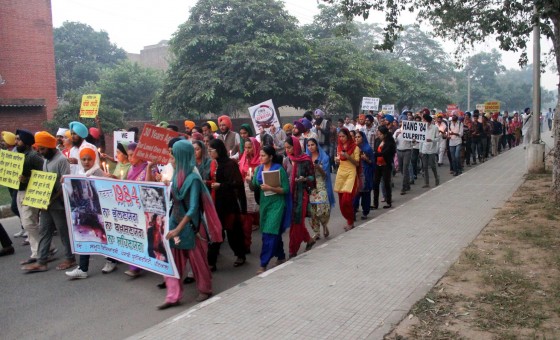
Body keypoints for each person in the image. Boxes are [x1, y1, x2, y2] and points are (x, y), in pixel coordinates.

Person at [158, 140, 218, 309]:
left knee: (197, 260)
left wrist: (178, 228)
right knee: (173, 260)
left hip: (190, 226)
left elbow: (193, 209)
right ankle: (172, 295)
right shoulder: (177, 174)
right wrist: (166, 185)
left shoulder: (193, 178)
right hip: (175, 221)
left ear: (182, 155)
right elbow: (174, 197)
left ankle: (205, 289)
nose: (171, 157)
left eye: (174, 154)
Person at [22, 132, 76, 272]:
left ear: (50, 147)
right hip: (46, 203)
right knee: (44, 231)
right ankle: (41, 261)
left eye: (42, 149)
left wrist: (52, 198)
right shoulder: (46, 160)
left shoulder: (61, 160)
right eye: (39, 149)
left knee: (63, 231)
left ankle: (70, 258)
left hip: (58, 204)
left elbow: (66, 183)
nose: (40, 152)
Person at [247, 146, 290, 274]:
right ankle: (281, 256)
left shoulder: (279, 169)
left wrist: (271, 188)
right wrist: (249, 180)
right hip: (264, 204)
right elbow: (254, 187)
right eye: (259, 155)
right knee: (272, 232)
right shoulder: (259, 169)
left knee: (269, 234)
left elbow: (285, 189)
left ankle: (263, 263)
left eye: (263, 155)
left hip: (277, 204)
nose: (260, 158)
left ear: (270, 157)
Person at [65, 147, 106, 279]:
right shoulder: (79, 172)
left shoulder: (99, 173)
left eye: (89, 159)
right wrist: (65, 182)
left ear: (94, 160)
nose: (86, 162)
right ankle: (82, 269)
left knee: (103, 237)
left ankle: (111, 260)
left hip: (98, 212)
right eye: (83, 159)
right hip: (85, 212)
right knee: (85, 238)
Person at [208, 139, 247, 269]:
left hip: (229, 203)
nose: (209, 153)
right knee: (216, 230)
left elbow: (237, 183)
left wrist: (221, 185)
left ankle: (240, 254)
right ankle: (211, 261)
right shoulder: (214, 164)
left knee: (232, 230)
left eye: (211, 150)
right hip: (216, 202)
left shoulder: (230, 164)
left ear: (218, 150)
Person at [15, 129, 45, 265]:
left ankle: (41, 251)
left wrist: (27, 179)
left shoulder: (33, 156)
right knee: (28, 224)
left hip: (30, 191)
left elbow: (44, 173)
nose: (16, 142)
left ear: (26, 143)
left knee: (28, 222)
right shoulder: (17, 155)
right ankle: (41, 249)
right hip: (20, 191)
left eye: (18, 140)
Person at [284, 136, 315, 258]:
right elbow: (284, 175)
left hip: (301, 194)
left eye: (289, 147)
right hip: (289, 195)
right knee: (295, 221)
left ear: (295, 146)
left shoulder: (305, 160)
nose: (287, 150)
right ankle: (309, 240)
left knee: (296, 222)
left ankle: (293, 250)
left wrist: (305, 179)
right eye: (285, 147)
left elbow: (312, 178)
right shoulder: (287, 160)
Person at [306, 138, 334, 240]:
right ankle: (316, 232)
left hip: (321, 184)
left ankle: (324, 225)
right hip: (311, 185)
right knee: (312, 210)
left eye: (312, 144)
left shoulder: (324, 157)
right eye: (308, 145)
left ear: (317, 145)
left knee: (323, 208)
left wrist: (318, 167)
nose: (310, 147)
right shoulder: (306, 158)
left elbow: (325, 175)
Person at [334, 128, 360, 231]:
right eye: (340, 136)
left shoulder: (355, 147)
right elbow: (340, 160)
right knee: (341, 200)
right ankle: (349, 220)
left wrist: (348, 156)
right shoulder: (339, 147)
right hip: (341, 172)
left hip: (350, 172)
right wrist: (337, 160)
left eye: (343, 136)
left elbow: (357, 163)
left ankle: (351, 220)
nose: (341, 138)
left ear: (348, 136)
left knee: (347, 199)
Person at [238, 137, 261, 254]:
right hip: (246, 191)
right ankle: (247, 244)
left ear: (255, 147)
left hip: (259, 191)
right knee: (246, 220)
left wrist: (253, 178)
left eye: (250, 147)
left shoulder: (261, 159)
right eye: (245, 148)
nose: (247, 150)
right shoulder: (243, 159)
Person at [373, 126, 396, 209]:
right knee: (375, 184)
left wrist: (374, 154)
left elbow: (385, 153)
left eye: (380, 134)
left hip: (386, 165)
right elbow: (376, 150)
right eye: (378, 133)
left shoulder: (389, 143)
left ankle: (388, 201)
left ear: (385, 134)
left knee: (386, 183)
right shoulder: (377, 141)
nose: (378, 135)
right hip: (377, 164)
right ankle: (375, 203)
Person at [352, 131, 375, 219]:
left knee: (365, 193)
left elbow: (372, 163)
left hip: (365, 173)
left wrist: (366, 159)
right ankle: (353, 211)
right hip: (355, 173)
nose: (356, 138)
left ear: (363, 138)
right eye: (356, 137)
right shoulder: (353, 148)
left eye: (359, 137)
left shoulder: (367, 149)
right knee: (355, 194)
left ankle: (365, 212)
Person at [420, 114, 441, 188]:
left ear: (427, 121)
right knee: (425, 166)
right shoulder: (422, 128)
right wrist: (420, 150)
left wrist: (431, 140)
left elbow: (438, 138)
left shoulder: (435, 128)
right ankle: (426, 182)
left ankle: (436, 177)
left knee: (432, 165)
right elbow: (421, 140)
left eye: (424, 120)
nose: (422, 121)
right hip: (424, 149)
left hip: (432, 149)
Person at [394, 122, 412, 195]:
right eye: (401, 124)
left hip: (407, 151)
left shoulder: (410, 132)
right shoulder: (397, 131)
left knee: (405, 169)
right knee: (402, 169)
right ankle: (407, 184)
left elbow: (413, 143)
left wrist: (413, 140)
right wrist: (396, 136)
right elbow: (393, 141)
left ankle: (403, 187)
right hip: (399, 151)